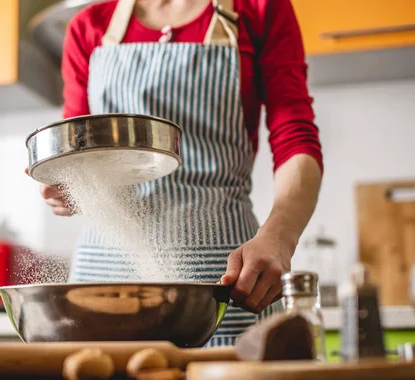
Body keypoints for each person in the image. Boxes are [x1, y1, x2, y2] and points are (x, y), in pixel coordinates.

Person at [35, 0, 323, 346]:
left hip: (225, 288)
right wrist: (71, 188)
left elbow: (295, 136)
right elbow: (78, 148)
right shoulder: (89, 26)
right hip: (103, 288)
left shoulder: (260, 9)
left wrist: (279, 237)